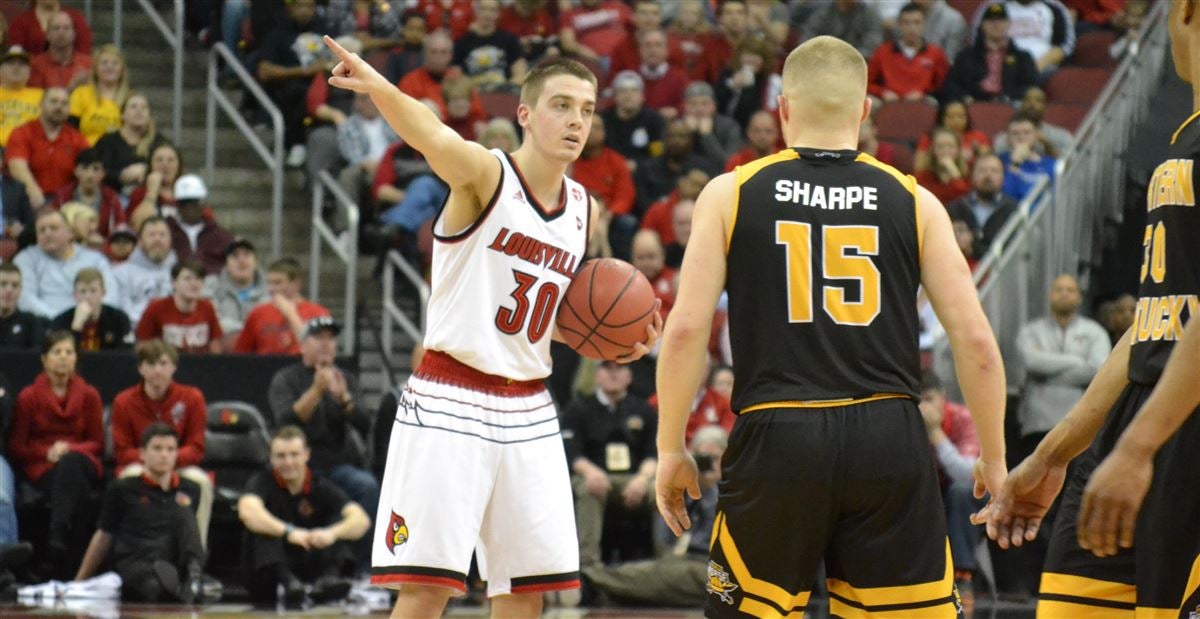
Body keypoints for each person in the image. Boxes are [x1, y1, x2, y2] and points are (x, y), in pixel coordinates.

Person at [654, 36, 1006, 617]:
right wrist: (993, 456)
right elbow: (975, 343)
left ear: (783, 109)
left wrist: (671, 448)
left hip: (777, 433)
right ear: (865, 110)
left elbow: (687, 329)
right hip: (888, 434)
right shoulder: (916, 201)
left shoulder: (730, 193)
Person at [322, 35, 660, 618]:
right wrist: (379, 86)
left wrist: (610, 338)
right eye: (561, 105)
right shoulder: (485, 174)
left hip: (530, 406)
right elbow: (433, 134)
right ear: (524, 114)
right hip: (451, 396)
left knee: (528, 591)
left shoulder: (585, 209)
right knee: (428, 589)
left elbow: (544, 315)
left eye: (586, 109)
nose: (576, 120)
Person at [983, 3, 1200, 614]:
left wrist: (1137, 449)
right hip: (1142, 413)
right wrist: (1053, 453)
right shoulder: (1185, 139)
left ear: (1183, 12)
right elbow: (1156, 325)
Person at [267, 316, 377, 566]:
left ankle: (364, 570)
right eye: (318, 338)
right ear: (303, 344)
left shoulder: (345, 378)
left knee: (367, 486)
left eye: (331, 338)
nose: (326, 344)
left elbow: (365, 424)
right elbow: (286, 424)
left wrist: (344, 399)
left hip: (338, 466)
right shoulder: (286, 378)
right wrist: (316, 391)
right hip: (299, 468)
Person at [579, 425, 727, 608]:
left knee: (670, 576)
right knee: (643, 572)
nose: (707, 465)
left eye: (714, 458)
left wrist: (710, 490)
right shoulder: (681, 489)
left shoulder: (736, 491)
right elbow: (665, 539)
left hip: (713, 567)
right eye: (701, 458)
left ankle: (590, 580)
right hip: (675, 561)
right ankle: (596, 586)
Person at [237, 425, 369, 606]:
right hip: (269, 573)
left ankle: (328, 581)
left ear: (306, 454)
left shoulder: (320, 485)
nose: (288, 462)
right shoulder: (261, 481)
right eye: (281, 456)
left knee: (340, 522)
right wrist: (288, 532)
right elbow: (248, 511)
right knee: (261, 525)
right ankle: (288, 583)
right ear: (271, 457)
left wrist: (331, 534)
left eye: (294, 454)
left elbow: (361, 520)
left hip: (307, 561)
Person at [74, 423, 206, 603]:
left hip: (171, 558)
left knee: (185, 513)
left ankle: (193, 574)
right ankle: (180, 587)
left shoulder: (190, 489)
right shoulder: (123, 488)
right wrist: (80, 580)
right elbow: (104, 534)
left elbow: (189, 532)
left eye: (170, 449)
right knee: (153, 586)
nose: (164, 455)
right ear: (143, 453)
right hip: (136, 560)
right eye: (157, 448)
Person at [8, 331, 103, 578]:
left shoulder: (90, 395)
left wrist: (70, 449)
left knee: (71, 464)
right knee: (77, 493)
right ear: (44, 359)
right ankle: (74, 570)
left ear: (76, 358)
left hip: (82, 461)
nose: (63, 358)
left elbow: (97, 443)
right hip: (43, 466)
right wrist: (47, 451)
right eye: (57, 352)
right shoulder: (28, 397)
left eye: (69, 352)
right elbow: (17, 446)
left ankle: (56, 535)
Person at [109, 340, 212, 547]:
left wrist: (167, 461)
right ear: (140, 368)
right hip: (141, 466)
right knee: (128, 476)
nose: (158, 370)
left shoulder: (192, 398)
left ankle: (196, 555)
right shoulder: (123, 401)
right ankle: (130, 549)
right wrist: (153, 463)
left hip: (178, 466)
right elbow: (122, 451)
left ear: (174, 367)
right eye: (151, 363)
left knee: (201, 481)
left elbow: (196, 447)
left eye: (164, 363)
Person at [560, 360, 658, 568]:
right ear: (596, 375)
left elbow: (654, 454)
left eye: (620, 368)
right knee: (588, 490)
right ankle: (588, 564)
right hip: (591, 474)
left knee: (661, 492)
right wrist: (590, 472)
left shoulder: (644, 410)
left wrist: (642, 479)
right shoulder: (578, 409)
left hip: (634, 476)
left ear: (629, 376)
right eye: (607, 368)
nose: (614, 374)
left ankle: (666, 561)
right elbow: (571, 452)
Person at [1016, 274, 1109, 457]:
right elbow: (1032, 362)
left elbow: (1097, 370)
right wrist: (1076, 361)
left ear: (1079, 297)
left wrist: (1046, 374)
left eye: (1070, 290)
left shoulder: (1095, 332)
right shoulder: (1031, 331)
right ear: (1050, 295)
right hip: (1037, 423)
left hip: (1079, 425)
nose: (1064, 294)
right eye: (1059, 289)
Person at [917, 372, 985, 604]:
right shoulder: (904, 422)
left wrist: (935, 433)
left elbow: (967, 473)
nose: (923, 407)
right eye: (917, 401)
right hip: (924, 495)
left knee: (962, 491)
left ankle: (961, 574)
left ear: (943, 397)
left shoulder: (963, 418)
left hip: (961, 498)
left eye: (929, 399)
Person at [14, 208, 117, 319]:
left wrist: (92, 316)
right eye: (42, 230)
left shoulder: (95, 260)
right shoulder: (25, 259)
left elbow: (112, 295)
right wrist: (60, 321)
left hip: (92, 321)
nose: (47, 233)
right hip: (46, 324)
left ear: (70, 232)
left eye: (54, 228)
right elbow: (25, 299)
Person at [6, 87, 89, 208]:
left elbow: (88, 169)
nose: (59, 107)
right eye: (53, 101)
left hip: (67, 202)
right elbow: (17, 166)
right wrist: (33, 192)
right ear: (40, 105)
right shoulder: (22, 132)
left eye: (64, 103)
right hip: (28, 199)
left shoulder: (77, 138)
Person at [942, 3, 1039, 104]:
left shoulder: (1022, 58)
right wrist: (966, 98)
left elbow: (1032, 86)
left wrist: (1008, 96)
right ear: (983, 26)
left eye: (1001, 20)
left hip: (1011, 106)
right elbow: (951, 86)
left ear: (1008, 24)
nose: (996, 24)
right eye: (991, 21)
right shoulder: (966, 57)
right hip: (975, 105)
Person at [234, 257, 330, 355]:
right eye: (269, 283)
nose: (271, 289)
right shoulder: (258, 313)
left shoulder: (317, 313)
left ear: (296, 284)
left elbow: (320, 352)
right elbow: (241, 352)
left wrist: (291, 314)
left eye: (278, 283)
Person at [866, 3, 950, 105]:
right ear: (899, 25)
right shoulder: (882, 51)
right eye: (906, 23)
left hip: (922, 102)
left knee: (934, 103)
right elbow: (867, 83)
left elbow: (942, 85)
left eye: (917, 23)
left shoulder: (936, 53)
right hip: (887, 101)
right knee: (870, 103)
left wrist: (923, 93)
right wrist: (882, 92)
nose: (912, 28)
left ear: (924, 25)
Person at [135, 259, 223, 353]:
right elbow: (142, 346)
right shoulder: (156, 307)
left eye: (198, 278)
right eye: (187, 278)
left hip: (201, 365)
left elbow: (215, 347)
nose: (194, 284)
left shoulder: (207, 307)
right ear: (174, 283)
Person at [969, 0, 1075, 75]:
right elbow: (978, 42)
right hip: (1000, 70)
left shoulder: (1055, 8)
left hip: (1044, 70)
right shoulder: (993, 6)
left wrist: (1033, 70)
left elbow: (1065, 47)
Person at [91, 93, 168, 196]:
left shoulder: (159, 142)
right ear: (122, 115)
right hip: (113, 196)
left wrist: (145, 172)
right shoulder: (108, 141)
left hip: (149, 195)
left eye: (144, 107)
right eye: (133, 106)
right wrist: (122, 176)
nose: (139, 110)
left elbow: (169, 169)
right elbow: (98, 169)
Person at [946, 153, 1018, 255]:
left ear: (1003, 177)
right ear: (973, 176)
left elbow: (1011, 250)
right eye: (982, 170)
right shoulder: (956, 208)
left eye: (994, 171)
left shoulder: (1013, 210)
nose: (988, 175)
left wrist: (973, 248)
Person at [164, 175, 235, 275]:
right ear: (177, 205)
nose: (189, 207)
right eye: (184, 203)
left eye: (194, 202)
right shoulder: (166, 232)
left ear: (203, 204)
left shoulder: (221, 236)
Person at [111, 216, 175, 326]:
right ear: (140, 241)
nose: (157, 240)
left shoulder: (182, 273)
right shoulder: (120, 274)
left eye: (162, 235)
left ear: (170, 240)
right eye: (151, 235)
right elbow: (122, 314)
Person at [48, 148, 125, 239]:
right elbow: (52, 226)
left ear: (103, 173)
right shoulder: (62, 196)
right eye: (85, 168)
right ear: (76, 171)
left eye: (96, 169)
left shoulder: (112, 198)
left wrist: (105, 245)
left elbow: (120, 228)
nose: (90, 175)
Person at [49, 267, 131, 351]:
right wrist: (76, 327)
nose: (87, 297)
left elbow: (126, 354)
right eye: (82, 291)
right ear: (75, 295)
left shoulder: (119, 319)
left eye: (93, 291)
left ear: (103, 292)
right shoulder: (61, 321)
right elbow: (60, 353)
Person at [452, 0, 527, 91]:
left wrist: (503, 87)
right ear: (475, 11)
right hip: (473, 96)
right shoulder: (462, 43)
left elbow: (521, 75)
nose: (487, 14)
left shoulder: (510, 41)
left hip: (503, 95)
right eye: (483, 9)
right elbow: (455, 79)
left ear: (499, 13)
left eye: (492, 10)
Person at [203, 238, 267, 344]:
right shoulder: (211, 286)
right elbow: (213, 322)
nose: (241, 261)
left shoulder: (271, 289)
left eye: (246, 255)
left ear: (256, 262)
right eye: (235, 256)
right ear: (226, 263)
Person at [601, 71, 665, 172]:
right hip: (608, 170)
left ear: (642, 96)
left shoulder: (654, 121)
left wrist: (639, 165)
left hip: (643, 174)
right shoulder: (603, 120)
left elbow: (658, 155)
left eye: (634, 91)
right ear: (615, 96)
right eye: (623, 91)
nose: (628, 95)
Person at [68, 44, 128, 145]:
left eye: (115, 63)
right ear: (95, 69)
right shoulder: (81, 93)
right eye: (104, 63)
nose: (110, 67)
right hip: (86, 154)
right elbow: (70, 130)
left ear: (122, 70)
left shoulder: (130, 98)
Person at [991, 86, 1073, 158]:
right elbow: (996, 158)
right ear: (1022, 105)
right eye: (1027, 100)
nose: (1032, 104)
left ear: (1045, 107)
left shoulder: (1061, 135)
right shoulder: (1006, 137)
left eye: (1038, 100)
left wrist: (1048, 146)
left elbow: (1072, 164)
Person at [999, 113, 1057, 203]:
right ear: (1008, 138)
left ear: (1036, 135)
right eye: (1015, 133)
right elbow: (1006, 197)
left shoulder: (1052, 164)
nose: (1021, 137)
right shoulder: (999, 162)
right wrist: (1015, 162)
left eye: (1027, 132)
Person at [28, 11, 90, 90]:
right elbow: (39, 100)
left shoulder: (88, 64)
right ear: (47, 35)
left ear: (74, 34)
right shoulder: (36, 65)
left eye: (66, 28)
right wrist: (72, 86)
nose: (61, 32)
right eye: (56, 28)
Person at [126, 143, 182, 229]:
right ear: (151, 166)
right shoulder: (140, 193)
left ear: (179, 166)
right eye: (159, 160)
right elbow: (138, 226)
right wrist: (152, 191)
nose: (165, 164)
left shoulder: (186, 193)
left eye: (171, 160)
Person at [804, 0, 885, 58]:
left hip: (857, 64)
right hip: (825, 61)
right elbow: (808, 40)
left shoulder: (868, 12)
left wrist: (851, 57)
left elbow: (874, 41)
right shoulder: (823, 12)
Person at [6, 0, 92, 55]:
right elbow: (15, 57)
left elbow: (84, 54)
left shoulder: (77, 19)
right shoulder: (19, 23)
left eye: (66, 28)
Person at [0, 45, 43, 149]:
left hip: (31, 150)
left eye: (22, 64)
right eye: (11, 63)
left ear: (29, 71)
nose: (16, 67)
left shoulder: (43, 96)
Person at [915, 127, 972, 204]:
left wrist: (955, 174)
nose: (945, 151)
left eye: (950, 146)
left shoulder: (968, 176)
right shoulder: (923, 177)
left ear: (958, 149)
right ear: (933, 150)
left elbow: (967, 201)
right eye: (940, 147)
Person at [0, 263, 45, 349]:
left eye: (15, 285)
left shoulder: (31, 322)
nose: (9, 290)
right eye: (3, 284)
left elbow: (37, 356)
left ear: (21, 290)